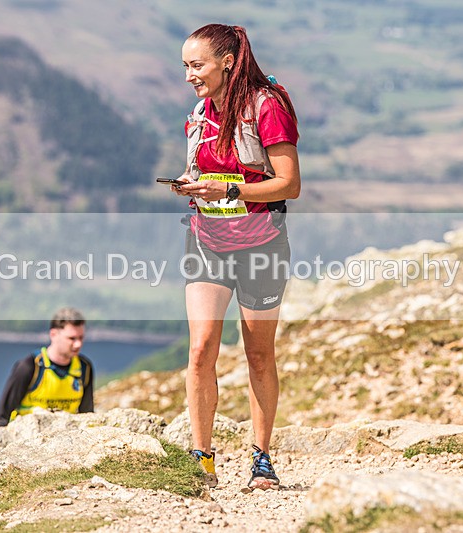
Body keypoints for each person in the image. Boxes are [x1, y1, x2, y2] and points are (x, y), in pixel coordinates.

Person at [170, 23, 300, 490]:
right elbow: (204, 170)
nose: (189, 75)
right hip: (207, 240)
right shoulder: (198, 114)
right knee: (201, 347)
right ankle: (201, 458)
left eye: (197, 65)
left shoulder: (267, 106)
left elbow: (289, 184)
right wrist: (192, 185)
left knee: (258, 355)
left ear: (227, 62)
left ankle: (261, 458)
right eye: (185, 65)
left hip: (262, 243)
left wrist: (228, 188)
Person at [0, 307, 94, 426]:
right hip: (26, 437)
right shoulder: (30, 366)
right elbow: (2, 417)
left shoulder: (84, 367)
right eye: (71, 338)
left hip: (66, 438)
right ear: (53, 334)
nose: (78, 344)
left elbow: (87, 415)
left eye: (81, 338)